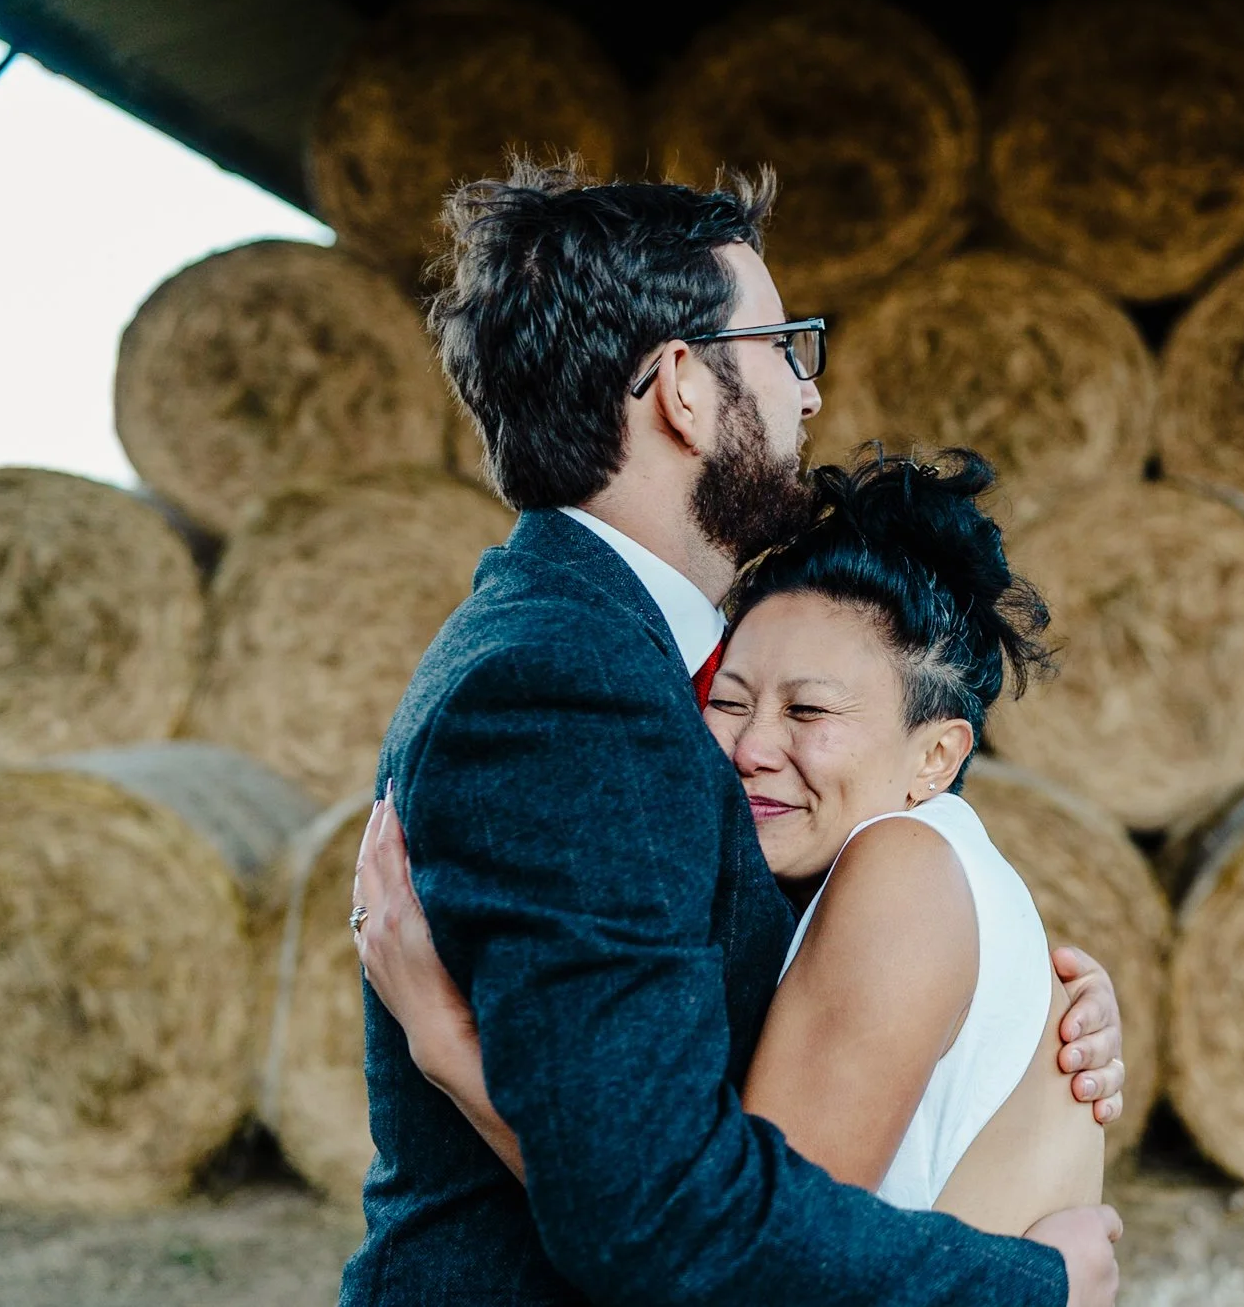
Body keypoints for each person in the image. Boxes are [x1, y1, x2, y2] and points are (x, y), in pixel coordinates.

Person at [335, 160, 1125, 1307]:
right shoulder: (566, 686)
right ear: (682, 389)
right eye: (782, 348)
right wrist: (1029, 1283)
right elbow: (658, 1217)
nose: (808, 395)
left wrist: (1000, 1018)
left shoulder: (594, 654)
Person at [355, 449, 1107, 1238]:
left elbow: (740, 1250)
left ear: (937, 757)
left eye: (809, 712)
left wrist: (448, 1043)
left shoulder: (904, 875)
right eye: (729, 699)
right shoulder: (912, 872)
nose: (751, 746)